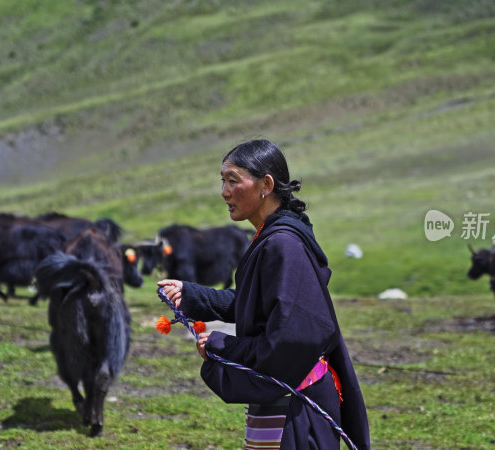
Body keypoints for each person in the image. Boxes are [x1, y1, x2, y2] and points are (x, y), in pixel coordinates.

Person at [158, 138, 370, 449]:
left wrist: (222, 345)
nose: (224, 192)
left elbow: (291, 340)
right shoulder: (272, 238)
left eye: (233, 180)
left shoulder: (283, 245)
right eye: (223, 181)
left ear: (265, 185)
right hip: (285, 395)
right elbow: (255, 304)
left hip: (297, 407)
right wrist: (190, 295)